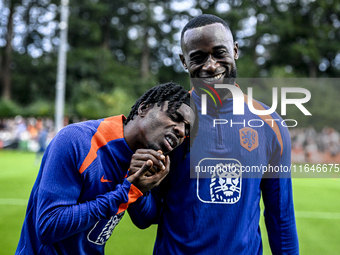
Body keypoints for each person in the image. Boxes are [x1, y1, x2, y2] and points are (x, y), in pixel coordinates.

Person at [128, 14, 299, 254]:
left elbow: (281, 218)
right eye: (198, 57)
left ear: (235, 50)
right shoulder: (168, 125)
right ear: (184, 61)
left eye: (219, 52)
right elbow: (146, 217)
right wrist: (138, 189)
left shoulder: (271, 125)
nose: (211, 65)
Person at [15, 82, 198, 255]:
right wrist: (126, 192)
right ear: (143, 108)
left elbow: (144, 219)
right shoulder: (77, 141)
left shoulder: (147, 159)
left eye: (186, 129)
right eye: (175, 117)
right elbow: (49, 226)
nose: (181, 131)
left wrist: (141, 191)